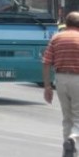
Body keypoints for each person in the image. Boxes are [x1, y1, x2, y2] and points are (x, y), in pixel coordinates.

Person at [42, 11, 79, 157]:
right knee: (78, 116)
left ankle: (67, 151)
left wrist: (47, 86)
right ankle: (73, 138)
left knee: (67, 116)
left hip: (60, 79)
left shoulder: (57, 38)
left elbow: (46, 63)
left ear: (67, 23)